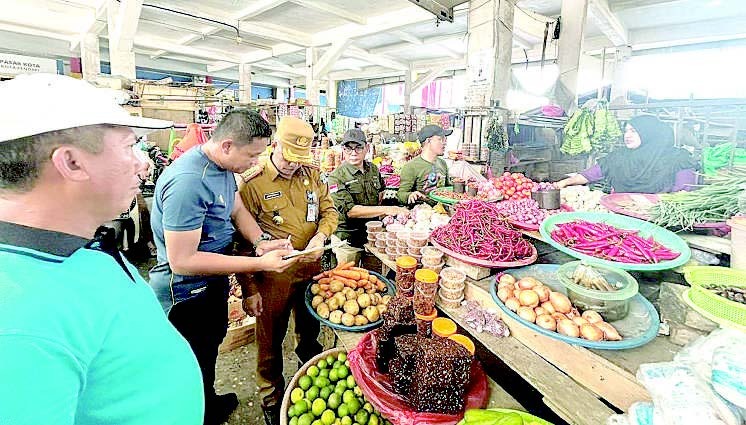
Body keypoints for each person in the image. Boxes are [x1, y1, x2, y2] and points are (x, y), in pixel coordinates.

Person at [0, 74, 203, 424]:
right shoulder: (19, 320)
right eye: (129, 147)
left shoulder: (79, 242)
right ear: (72, 163)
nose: (144, 163)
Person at [148, 110, 297, 425]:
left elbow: (236, 207)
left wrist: (260, 241)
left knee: (208, 348)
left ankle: (208, 403)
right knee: (189, 360)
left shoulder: (223, 168)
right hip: (186, 292)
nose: (257, 163)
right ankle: (192, 414)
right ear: (227, 145)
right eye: (252, 155)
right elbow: (182, 260)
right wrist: (259, 263)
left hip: (212, 281)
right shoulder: (188, 183)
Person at [237, 116, 338, 425]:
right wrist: (248, 288)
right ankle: (271, 395)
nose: (295, 165)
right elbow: (241, 244)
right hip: (273, 279)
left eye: (301, 159)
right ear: (275, 144)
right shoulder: (252, 182)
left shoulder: (311, 174)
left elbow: (329, 210)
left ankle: (309, 374)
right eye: (290, 157)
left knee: (309, 329)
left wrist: (321, 235)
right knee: (269, 339)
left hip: (310, 270)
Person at [554, 115, 697, 193]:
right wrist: (565, 182)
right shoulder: (619, 156)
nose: (627, 135)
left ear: (650, 133)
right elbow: (591, 174)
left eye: (634, 131)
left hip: (656, 221)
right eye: (626, 131)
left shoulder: (677, 159)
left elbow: (683, 194)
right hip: (619, 214)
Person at [328, 128, 408, 260]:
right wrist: (388, 209)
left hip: (372, 235)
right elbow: (351, 211)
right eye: (348, 148)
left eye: (358, 147)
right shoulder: (336, 177)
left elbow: (381, 193)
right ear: (343, 150)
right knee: (348, 277)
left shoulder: (373, 169)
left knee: (371, 276)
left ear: (367, 148)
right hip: (348, 240)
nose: (353, 152)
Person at [397, 124, 453, 205]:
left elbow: (448, 187)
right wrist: (410, 195)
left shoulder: (442, 163)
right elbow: (401, 195)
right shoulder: (411, 166)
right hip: (423, 213)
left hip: (443, 212)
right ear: (428, 141)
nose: (444, 143)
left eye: (444, 140)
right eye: (440, 139)